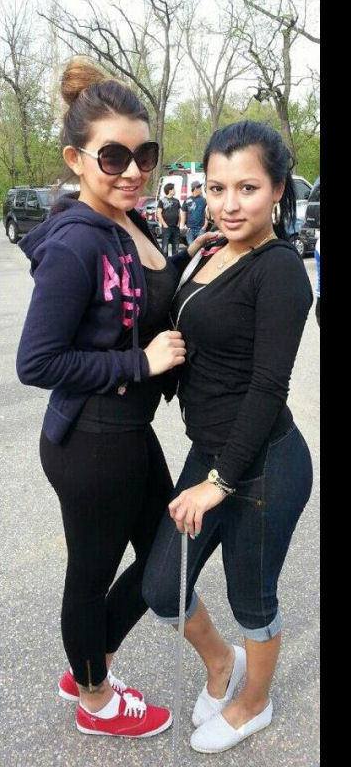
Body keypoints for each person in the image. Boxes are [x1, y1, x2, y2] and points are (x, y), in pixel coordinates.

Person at [16, 58, 215, 739]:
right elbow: (36, 361)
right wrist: (141, 361)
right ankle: (96, 699)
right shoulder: (77, 242)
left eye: (144, 155)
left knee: (166, 559)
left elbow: (138, 301)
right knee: (93, 574)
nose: (133, 171)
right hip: (92, 443)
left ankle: (88, 661)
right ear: (75, 159)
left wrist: (191, 261)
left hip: (127, 434)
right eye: (113, 157)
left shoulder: (128, 222)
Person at [142, 120, 313, 754]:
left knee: (252, 599)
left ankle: (254, 703)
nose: (230, 203)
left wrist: (217, 483)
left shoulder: (281, 271)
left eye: (247, 187)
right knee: (162, 588)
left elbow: (268, 389)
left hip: (265, 461)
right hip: (213, 449)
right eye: (217, 188)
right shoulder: (212, 249)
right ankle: (223, 664)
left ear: (277, 190)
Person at [156, 181, 182, 256]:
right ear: (170, 190)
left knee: (176, 247)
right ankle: (166, 261)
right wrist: (164, 224)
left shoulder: (176, 201)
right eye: (174, 189)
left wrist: (178, 223)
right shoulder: (162, 201)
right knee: (165, 247)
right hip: (166, 227)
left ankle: (175, 261)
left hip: (175, 227)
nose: (175, 190)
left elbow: (179, 213)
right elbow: (159, 213)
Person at [182, 181, 208, 245]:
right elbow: (183, 214)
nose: (201, 190)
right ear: (195, 189)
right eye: (200, 188)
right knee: (191, 247)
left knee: (200, 247)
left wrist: (205, 226)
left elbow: (206, 214)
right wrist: (183, 226)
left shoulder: (203, 200)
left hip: (200, 229)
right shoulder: (187, 201)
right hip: (190, 229)